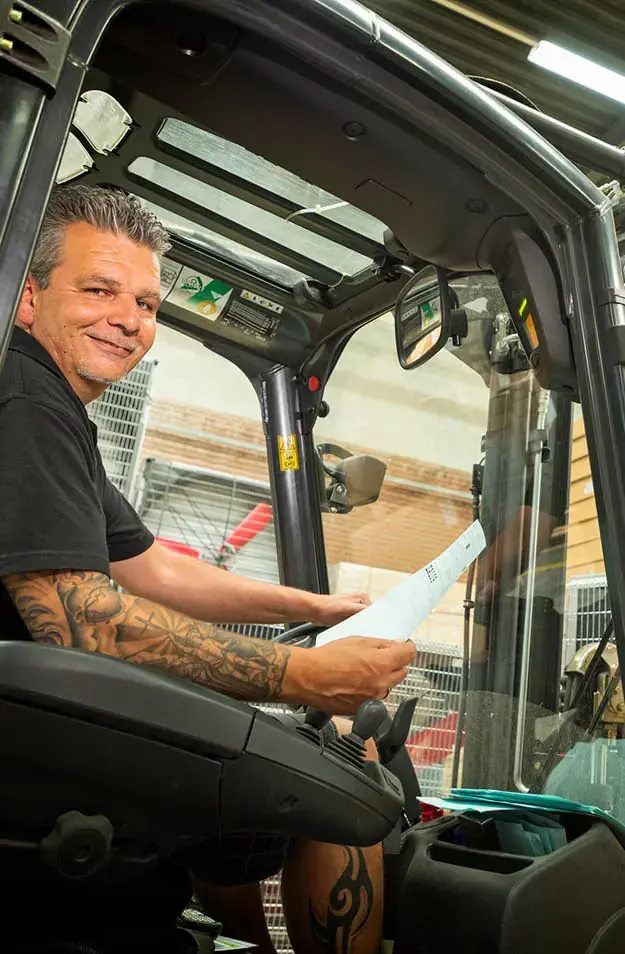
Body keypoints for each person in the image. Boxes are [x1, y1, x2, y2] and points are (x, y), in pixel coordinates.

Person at [0, 184, 415, 954]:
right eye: (98, 290)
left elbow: (155, 569)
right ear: (28, 298)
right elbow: (82, 617)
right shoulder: (24, 395)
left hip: (40, 723)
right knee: (352, 767)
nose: (128, 320)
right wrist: (303, 677)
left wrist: (315, 607)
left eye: (147, 304)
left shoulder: (55, 406)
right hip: (30, 741)